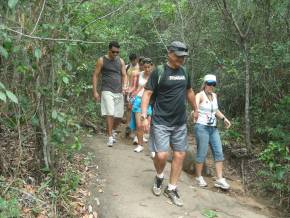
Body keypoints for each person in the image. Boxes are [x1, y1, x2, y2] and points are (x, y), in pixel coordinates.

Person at [141, 41, 198, 207]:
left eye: (184, 57)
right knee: (162, 155)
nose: (182, 60)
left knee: (180, 154)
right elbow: (147, 94)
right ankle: (159, 176)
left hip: (179, 122)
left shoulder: (184, 72)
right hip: (161, 121)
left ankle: (172, 188)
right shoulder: (158, 72)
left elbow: (189, 91)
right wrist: (144, 116)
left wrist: (195, 108)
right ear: (170, 53)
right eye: (179, 57)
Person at [194, 74, 231, 190]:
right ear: (205, 84)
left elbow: (215, 110)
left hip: (213, 128)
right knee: (202, 152)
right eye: (209, 84)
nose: (211, 86)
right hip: (202, 127)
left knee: (219, 151)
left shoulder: (214, 95)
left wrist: (224, 119)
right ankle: (198, 177)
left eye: (213, 84)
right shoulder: (199, 95)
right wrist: (194, 114)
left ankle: (220, 179)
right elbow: (194, 107)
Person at [92, 41, 127, 147]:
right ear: (109, 50)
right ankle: (110, 137)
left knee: (119, 116)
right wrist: (95, 91)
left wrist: (125, 86)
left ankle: (113, 130)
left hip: (119, 91)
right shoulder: (102, 60)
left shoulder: (120, 61)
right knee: (110, 113)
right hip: (107, 90)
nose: (115, 54)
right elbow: (95, 75)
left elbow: (124, 75)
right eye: (113, 52)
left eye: (117, 52)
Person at [130, 58, 153, 152]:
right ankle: (140, 145)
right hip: (138, 100)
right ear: (142, 66)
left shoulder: (154, 76)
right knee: (139, 125)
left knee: (147, 127)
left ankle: (152, 148)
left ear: (152, 66)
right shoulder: (139, 74)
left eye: (149, 67)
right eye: (145, 67)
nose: (147, 69)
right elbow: (135, 87)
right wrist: (130, 95)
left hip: (149, 102)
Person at [125, 53, 139, 138]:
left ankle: (135, 129)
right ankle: (128, 126)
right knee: (129, 108)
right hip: (129, 90)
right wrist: (125, 87)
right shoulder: (128, 67)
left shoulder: (140, 67)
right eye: (132, 60)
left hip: (137, 90)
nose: (133, 61)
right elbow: (125, 77)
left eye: (135, 60)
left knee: (135, 108)